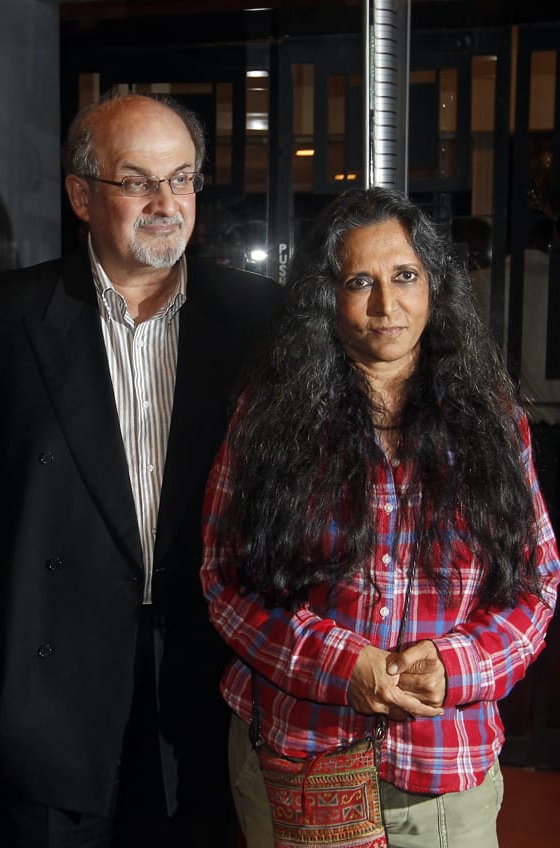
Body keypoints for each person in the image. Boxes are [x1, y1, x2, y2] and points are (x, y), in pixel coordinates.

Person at [200, 186, 560, 848]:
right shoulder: (268, 418)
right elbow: (224, 579)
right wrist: (340, 663)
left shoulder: (495, 423)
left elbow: (537, 584)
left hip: (445, 771)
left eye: (404, 277)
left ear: (434, 286)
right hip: (298, 758)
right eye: (360, 281)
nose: (386, 305)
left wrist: (460, 664)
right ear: (326, 297)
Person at [0, 91, 282, 847]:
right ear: (82, 195)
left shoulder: (263, 324)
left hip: (206, 700)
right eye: (137, 180)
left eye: (181, 179)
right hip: (46, 718)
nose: (165, 203)